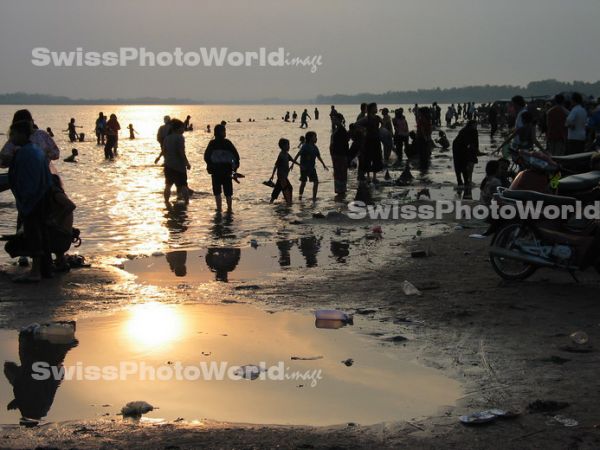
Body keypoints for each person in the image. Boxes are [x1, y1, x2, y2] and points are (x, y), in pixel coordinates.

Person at [7, 120, 54, 282]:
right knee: (42, 233)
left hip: (32, 199)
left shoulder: (26, 153)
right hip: (41, 197)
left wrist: (26, 201)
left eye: (12, 133)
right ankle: (45, 269)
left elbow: (27, 180)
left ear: (21, 134)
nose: (10, 137)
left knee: (34, 234)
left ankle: (35, 272)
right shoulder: (35, 151)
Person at [204, 124, 240, 213]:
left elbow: (206, 156)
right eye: (224, 131)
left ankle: (219, 209)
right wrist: (234, 169)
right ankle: (229, 209)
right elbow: (236, 157)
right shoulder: (227, 143)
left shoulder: (212, 143)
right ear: (220, 132)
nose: (225, 133)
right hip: (227, 171)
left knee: (217, 192)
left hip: (215, 171)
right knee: (228, 192)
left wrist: (210, 165)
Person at [160, 119, 191, 204]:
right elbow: (181, 151)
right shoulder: (180, 137)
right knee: (183, 185)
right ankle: (187, 203)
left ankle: (166, 202)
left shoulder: (167, 138)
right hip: (179, 166)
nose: (183, 130)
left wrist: (159, 158)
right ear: (177, 129)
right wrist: (186, 163)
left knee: (168, 185)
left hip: (168, 165)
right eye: (182, 128)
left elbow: (164, 151)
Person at [292, 131, 328, 201]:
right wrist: (293, 164)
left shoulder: (315, 147)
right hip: (304, 168)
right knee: (303, 182)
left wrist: (324, 165)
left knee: (316, 182)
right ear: (310, 138)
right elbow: (298, 154)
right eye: (315, 137)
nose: (316, 138)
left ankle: (314, 197)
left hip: (312, 168)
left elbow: (318, 156)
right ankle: (300, 197)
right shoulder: (305, 146)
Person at [357, 103, 383, 181]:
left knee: (376, 158)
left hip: (376, 140)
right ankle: (368, 176)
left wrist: (380, 130)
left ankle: (374, 176)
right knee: (367, 158)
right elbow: (357, 124)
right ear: (371, 109)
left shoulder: (377, 117)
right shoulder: (366, 118)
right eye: (375, 107)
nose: (376, 109)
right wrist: (364, 131)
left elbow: (383, 123)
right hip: (368, 140)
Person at [452, 120, 479, 186]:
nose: (476, 126)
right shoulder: (473, 131)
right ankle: (466, 182)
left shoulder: (464, 129)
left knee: (457, 164)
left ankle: (460, 181)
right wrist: (476, 151)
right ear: (472, 125)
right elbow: (476, 143)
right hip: (461, 147)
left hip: (456, 146)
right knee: (464, 164)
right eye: (475, 125)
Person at [269, 138, 295, 206]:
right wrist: (272, 175)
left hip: (284, 176)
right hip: (281, 176)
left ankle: (271, 201)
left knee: (278, 188)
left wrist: (300, 165)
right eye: (287, 145)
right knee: (288, 188)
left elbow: (293, 160)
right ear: (283, 146)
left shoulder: (287, 154)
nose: (289, 146)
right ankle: (289, 202)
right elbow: (276, 166)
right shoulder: (281, 155)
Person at [330, 113, 350, 197]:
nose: (333, 121)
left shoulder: (342, 130)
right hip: (336, 155)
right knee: (338, 173)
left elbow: (345, 144)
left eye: (334, 119)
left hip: (340, 155)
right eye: (332, 119)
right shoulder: (337, 129)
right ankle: (339, 191)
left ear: (339, 120)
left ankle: (341, 191)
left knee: (341, 173)